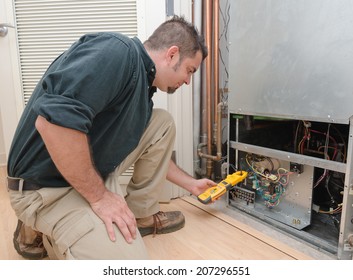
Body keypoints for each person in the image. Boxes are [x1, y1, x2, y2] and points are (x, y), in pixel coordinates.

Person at [6, 15, 215, 260]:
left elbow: (146, 147)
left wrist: (191, 185)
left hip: (84, 170)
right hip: (46, 188)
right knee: (128, 266)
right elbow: (52, 124)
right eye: (190, 70)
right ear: (172, 54)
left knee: (162, 123)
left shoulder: (142, 87)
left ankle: (139, 215)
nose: (188, 81)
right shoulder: (118, 52)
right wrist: (100, 197)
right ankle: (45, 229)